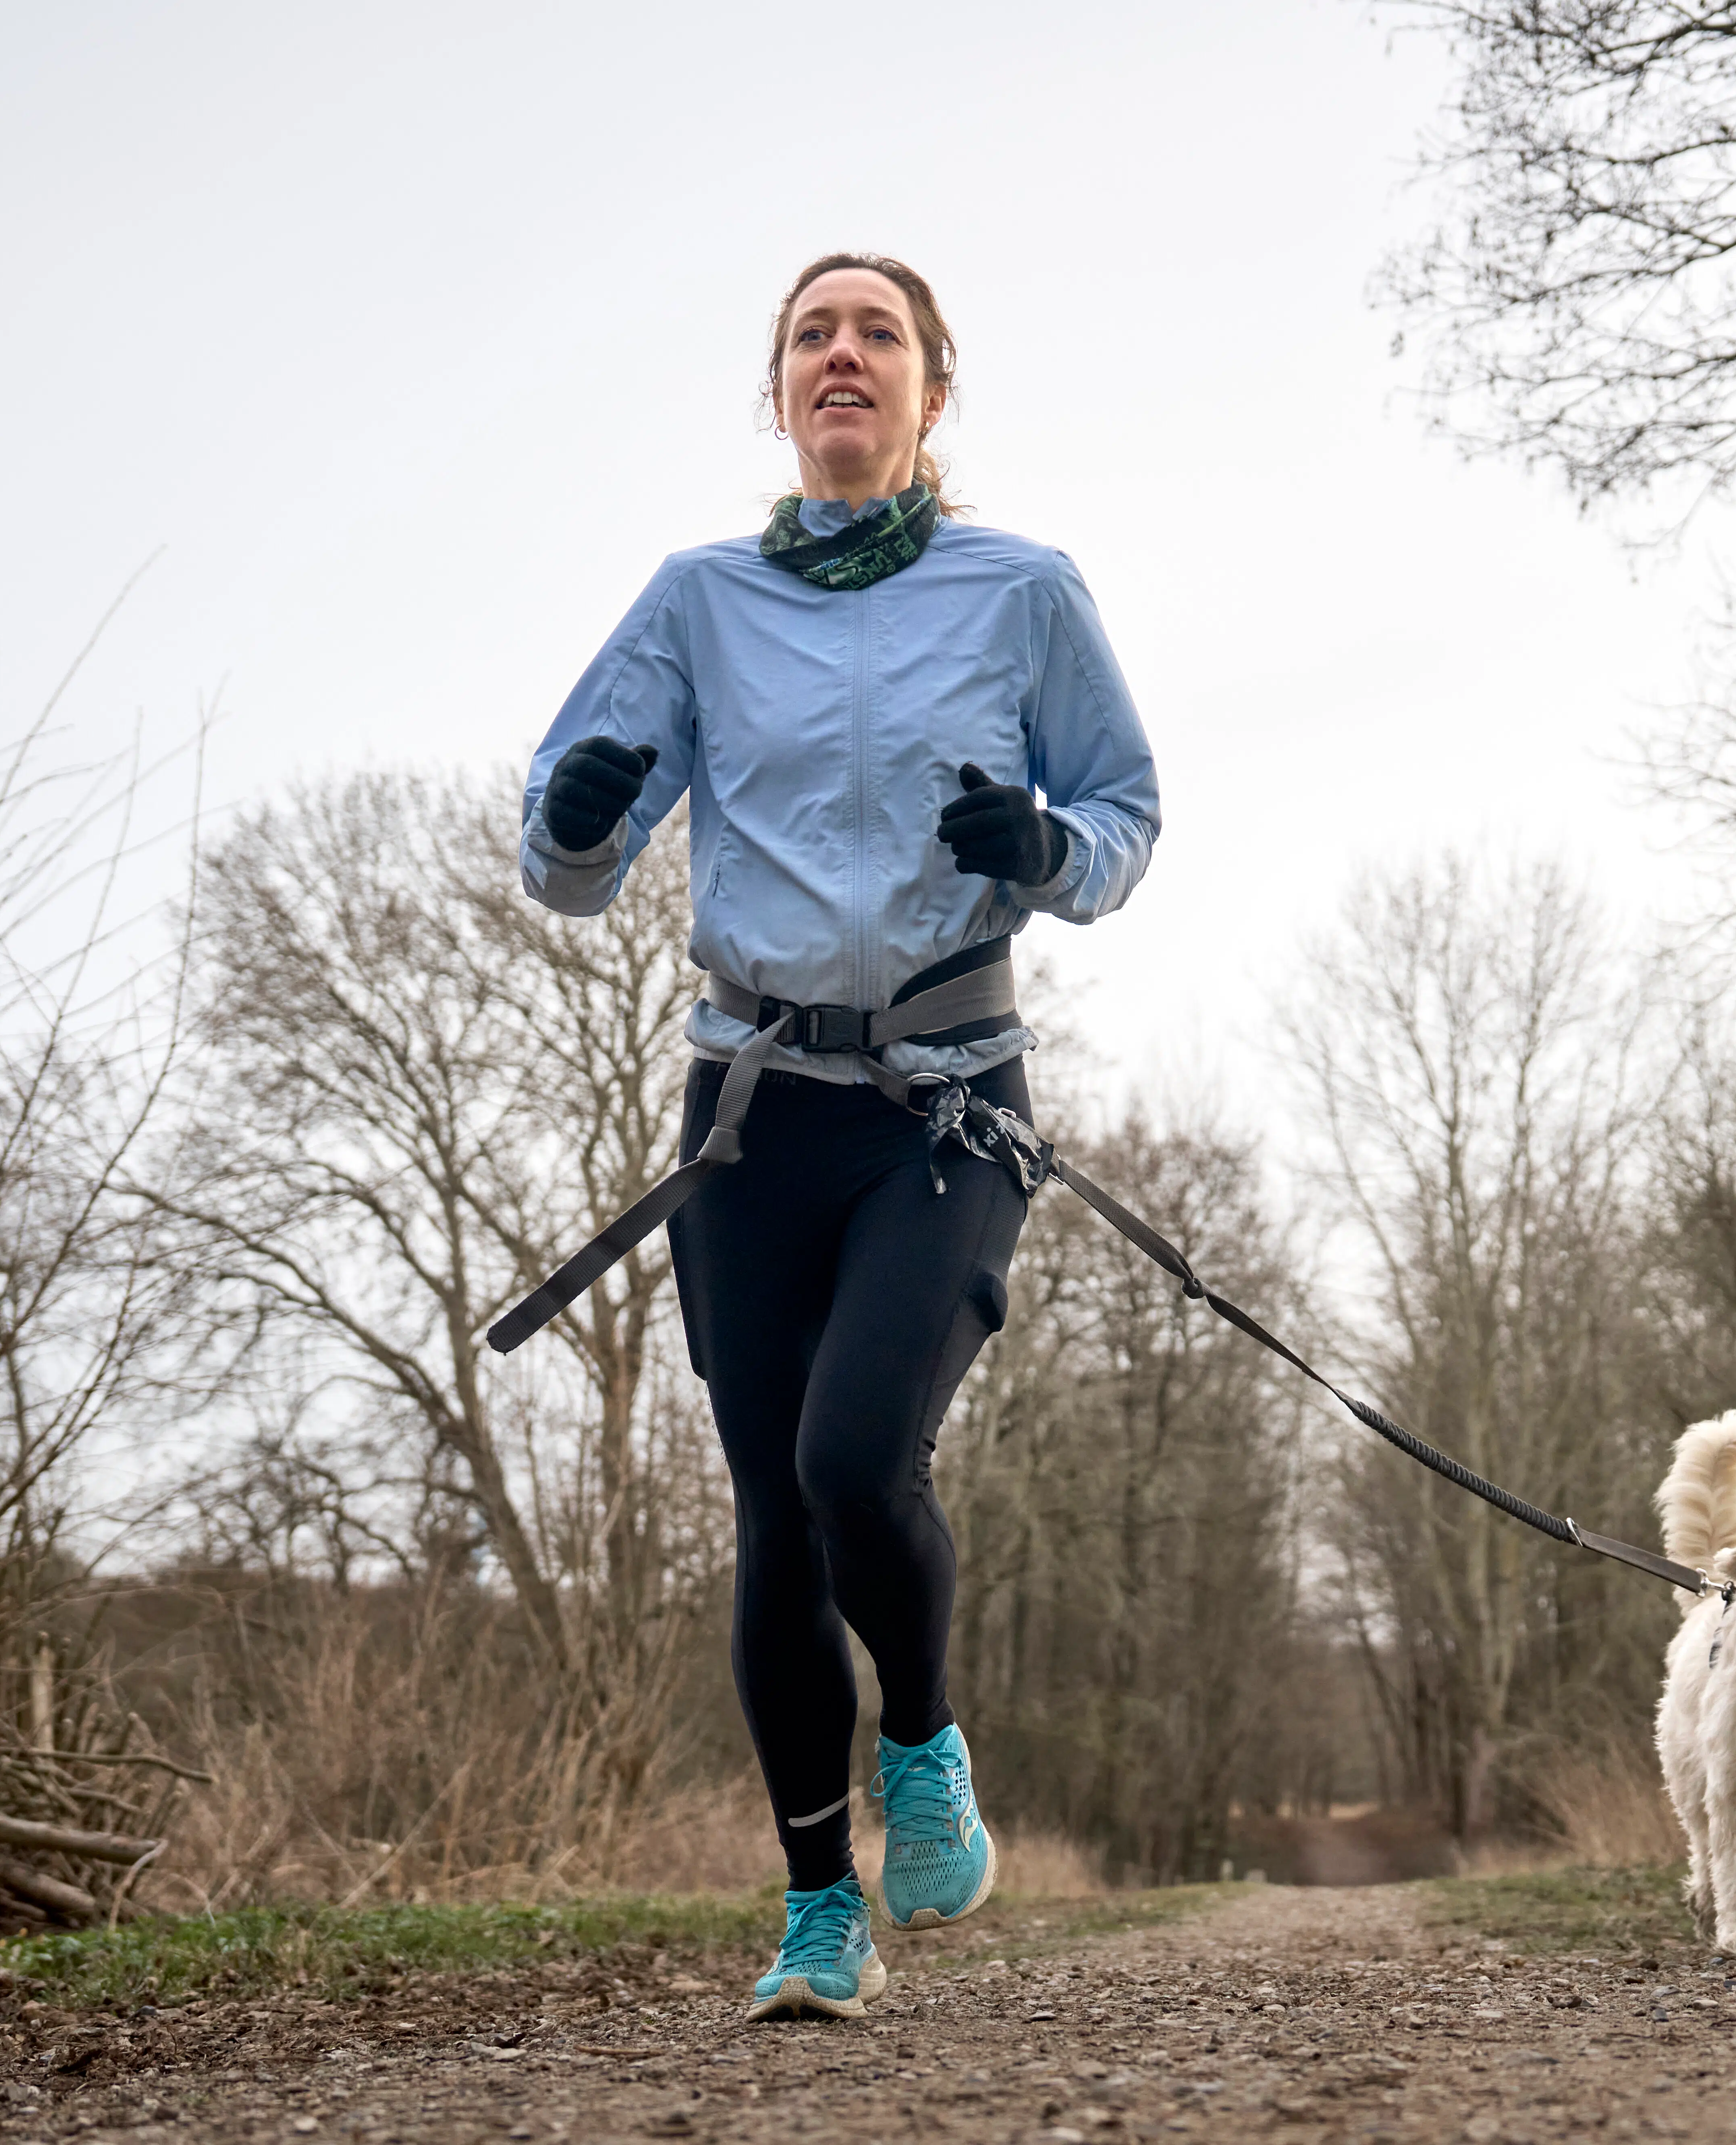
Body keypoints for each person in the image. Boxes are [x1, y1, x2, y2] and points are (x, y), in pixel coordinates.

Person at [517, 251, 1160, 2020]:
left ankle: (928, 1743)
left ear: (932, 395)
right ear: (781, 394)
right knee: (770, 1523)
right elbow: (567, 852)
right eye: (815, 334)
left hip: (945, 1101)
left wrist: (1049, 851)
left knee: (853, 1460)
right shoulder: (698, 600)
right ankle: (817, 1910)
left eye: (880, 334)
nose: (845, 355)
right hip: (751, 1117)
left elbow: (1123, 812)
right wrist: (575, 825)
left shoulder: (1023, 589)